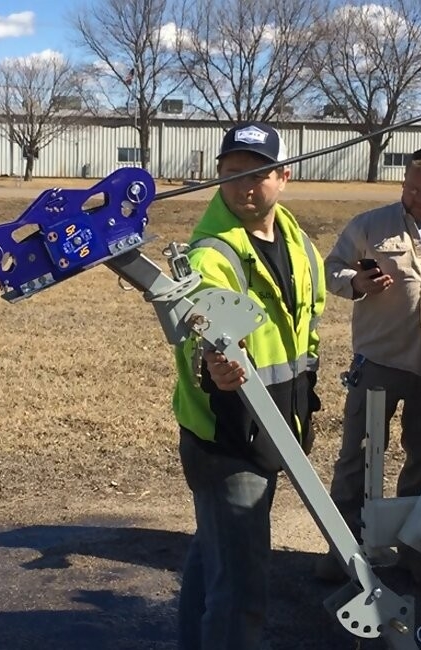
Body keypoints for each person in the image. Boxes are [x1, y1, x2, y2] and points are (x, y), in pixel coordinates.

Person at [172, 121, 326, 650]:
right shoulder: (210, 255)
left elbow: (309, 328)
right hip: (229, 438)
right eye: (232, 173)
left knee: (216, 557)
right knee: (241, 593)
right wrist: (212, 362)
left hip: (277, 425)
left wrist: (303, 405)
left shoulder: (300, 246)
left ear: (284, 177)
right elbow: (197, 331)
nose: (244, 186)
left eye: (257, 174)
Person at [315, 145, 421, 589]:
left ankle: (415, 550)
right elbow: (331, 269)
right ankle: (342, 547)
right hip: (379, 361)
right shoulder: (371, 225)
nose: (418, 198)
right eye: (411, 189)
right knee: (357, 454)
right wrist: (356, 281)